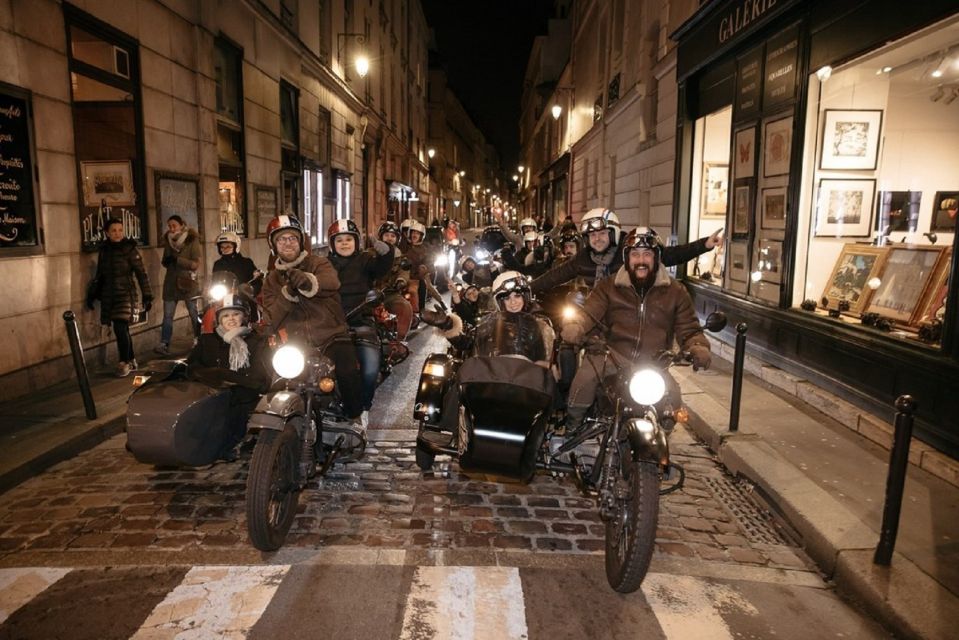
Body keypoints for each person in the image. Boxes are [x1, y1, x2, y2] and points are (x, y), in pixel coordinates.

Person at [560, 228, 711, 432]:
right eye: (635, 254)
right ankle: (573, 430)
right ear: (626, 258)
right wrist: (576, 326)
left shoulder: (675, 291)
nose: (641, 260)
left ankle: (661, 443)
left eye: (647, 254)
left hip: (654, 362)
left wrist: (698, 346)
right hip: (612, 355)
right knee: (583, 383)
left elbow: (690, 328)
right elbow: (589, 312)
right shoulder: (609, 286)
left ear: (657, 258)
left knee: (672, 402)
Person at [260, 214, 366, 445]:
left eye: (292, 238)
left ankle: (355, 416)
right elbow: (271, 317)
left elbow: (331, 282)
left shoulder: (318, 263)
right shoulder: (271, 281)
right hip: (297, 342)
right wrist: (287, 294)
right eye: (281, 239)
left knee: (348, 370)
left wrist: (307, 281)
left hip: (331, 334)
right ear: (274, 245)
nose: (288, 243)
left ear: (301, 242)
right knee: (275, 376)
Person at [530, 208, 722, 295]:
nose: (597, 238)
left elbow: (671, 255)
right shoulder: (583, 258)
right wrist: (526, 290)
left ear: (613, 233)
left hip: (631, 313)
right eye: (592, 235)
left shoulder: (631, 250)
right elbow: (556, 275)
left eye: (602, 233)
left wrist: (704, 244)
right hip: (597, 312)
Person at [186, 294, 271, 459]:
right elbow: (192, 367)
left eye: (235, 314)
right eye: (225, 315)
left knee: (236, 406)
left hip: (243, 394)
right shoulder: (207, 341)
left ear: (244, 317)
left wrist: (231, 379)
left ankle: (227, 446)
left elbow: (261, 377)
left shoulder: (257, 341)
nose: (230, 319)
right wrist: (214, 376)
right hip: (210, 391)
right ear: (219, 319)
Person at [326, 218, 395, 421]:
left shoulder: (365, 260)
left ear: (356, 242)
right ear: (332, 244)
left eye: (349, 239)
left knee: (370, 367)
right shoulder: (324, 265)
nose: (344, 243)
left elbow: (383, 267)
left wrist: (386, 251)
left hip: (360, 320)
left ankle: (363, 407)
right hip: (332, 324)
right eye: (339, 240)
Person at [86, 218, 153, 377]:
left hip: (126, 293)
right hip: (110, 295)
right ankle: (131, 359)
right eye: (114, 230)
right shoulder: (104, 251)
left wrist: (147, 295)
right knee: (123, 329)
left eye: (120, 230)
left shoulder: (129, 249)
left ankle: (124, 362)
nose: (117, 233)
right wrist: (92, 295)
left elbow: (141, 274)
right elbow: (100, 275)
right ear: (107, 233)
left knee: (120, 327)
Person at [155, 215, 202, 355]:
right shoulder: (168, 240)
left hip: (187, 281)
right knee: (168, 315)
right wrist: (167, 261)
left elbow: (195, 264)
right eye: (169, 226)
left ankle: (198, 338)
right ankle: (164, 343)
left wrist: (178, 260)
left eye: (174, 225)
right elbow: (165, 261)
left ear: (182, 225)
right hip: (171, 282)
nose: (171, 228)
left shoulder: (192, 239)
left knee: (193, 312)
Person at [212, 230, 263, 296]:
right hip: (223, 297)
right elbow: (214, 282)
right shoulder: (218, 264)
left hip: (243, 298)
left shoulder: (246, 262)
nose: (224, 249)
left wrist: (250, 289)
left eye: (228, 247)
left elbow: (257, 283)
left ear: (236, 247)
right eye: (222, 247)